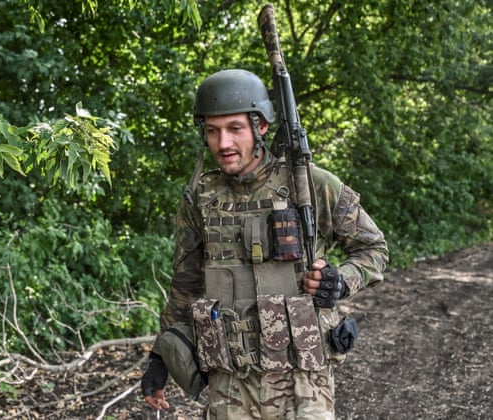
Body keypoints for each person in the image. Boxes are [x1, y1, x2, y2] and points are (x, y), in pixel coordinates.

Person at [141, 69, 389, 419]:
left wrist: (341, 280)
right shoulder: (199, 197)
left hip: (303, 380)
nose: (223, 143)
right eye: (212, 131)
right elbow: (185, 284)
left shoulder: (311, 185)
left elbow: (373, 249)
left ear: (261, 127)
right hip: (229, 380)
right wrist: (160, 357)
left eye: (234, 129)